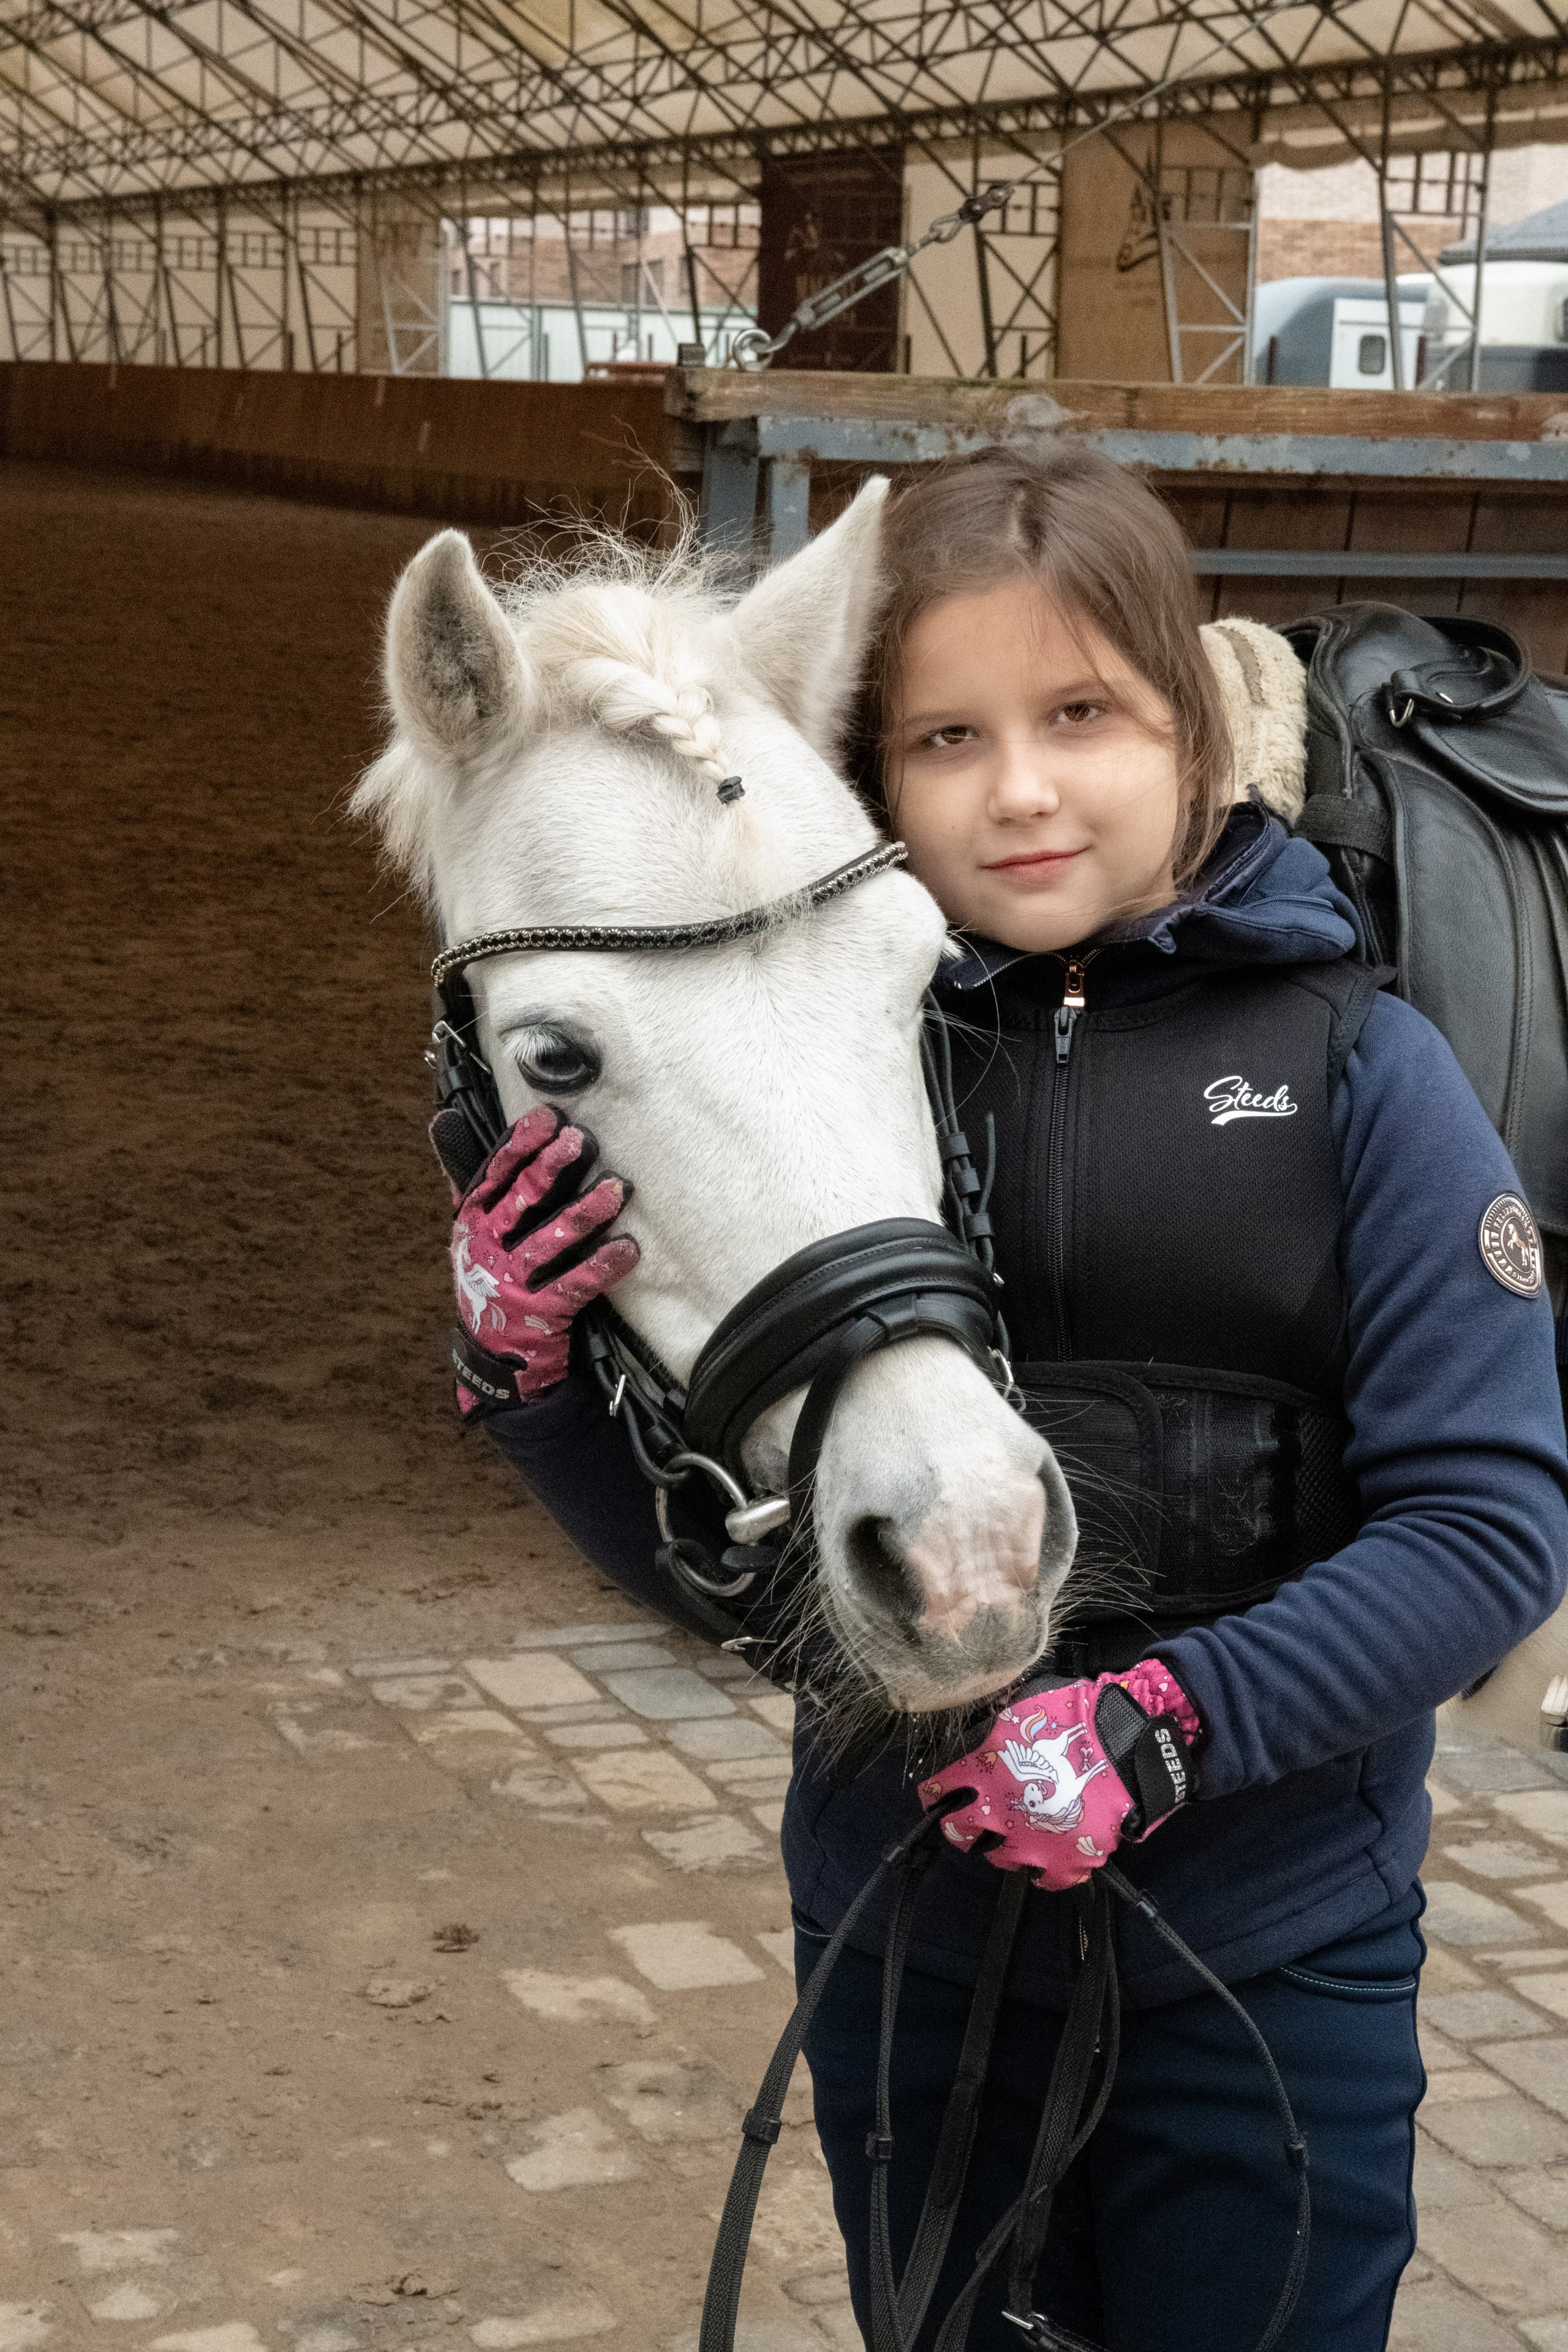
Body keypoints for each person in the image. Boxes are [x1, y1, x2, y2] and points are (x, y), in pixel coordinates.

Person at [442, 445, 1568, 2352]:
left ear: (1192, 730)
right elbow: (746, 1583)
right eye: (948, 737)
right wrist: (531, 1383)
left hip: (1266, 1966)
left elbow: (1487, 1534)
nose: (1021, 788)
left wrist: (1170, 1727)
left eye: (1083, 717)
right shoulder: (830, 1067)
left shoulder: (1362, 1075)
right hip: (911, 1944)